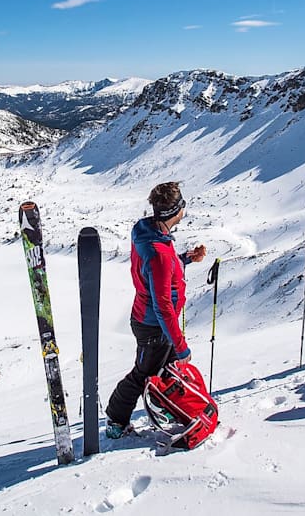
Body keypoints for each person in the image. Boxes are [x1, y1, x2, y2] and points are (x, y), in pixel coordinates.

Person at [104, 181, 206, 439]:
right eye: (181, 204)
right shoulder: (158, 251)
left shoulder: (148, 231)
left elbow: (157, 269)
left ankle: (168, 406)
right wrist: (181, 345)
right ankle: (116, 420)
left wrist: (184, 258)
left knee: (168, 368)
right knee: (144, 374)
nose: (184, 208)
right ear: (174, 212)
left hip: (152, 322)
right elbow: (163, 307)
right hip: (154, 326)